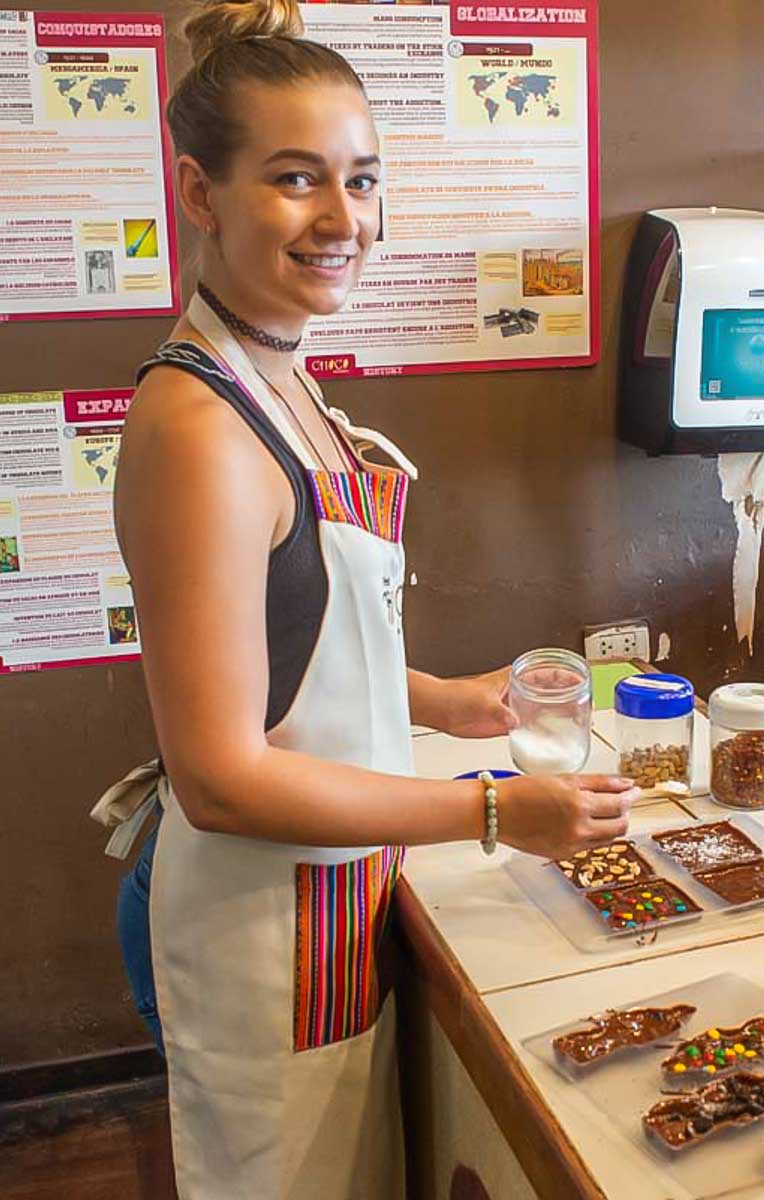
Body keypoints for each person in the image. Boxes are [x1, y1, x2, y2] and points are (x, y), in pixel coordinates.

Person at [97, 1, 634, 1195]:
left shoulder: (279, 375)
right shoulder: (198, 428)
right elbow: (220, 774)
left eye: (362, 179)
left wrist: (444, 701)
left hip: (333, 891)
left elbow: (288, 648)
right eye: (296, 180)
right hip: (259, 921)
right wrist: (495, 809)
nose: (344, 220)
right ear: (199, 195)